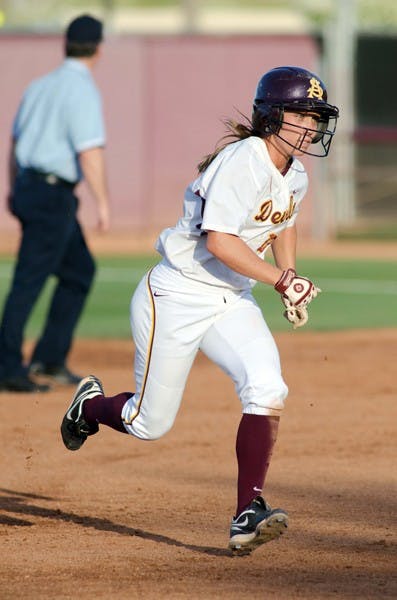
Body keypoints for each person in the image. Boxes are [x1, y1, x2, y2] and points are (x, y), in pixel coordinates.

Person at [60, 66, 339, 555]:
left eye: (316, 116)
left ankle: (247, 512)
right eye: (301, 113)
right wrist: (280, 278)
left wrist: (286, 282)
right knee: (149, 423)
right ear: (272, 116)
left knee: (268, 387)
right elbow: (221, 240)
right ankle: (90, 406)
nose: (311, 126)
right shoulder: (242, 160)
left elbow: (283, 223)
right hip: (177, 293)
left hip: (231, 298)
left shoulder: (294, 173)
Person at [0, 14, 110, 393]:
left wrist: (14, 189)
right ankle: (7, 366)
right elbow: (89, 151)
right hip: (52, 195)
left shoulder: (40, 86)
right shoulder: (81, 89)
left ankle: (49, 358)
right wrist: (103, 203)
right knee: (28, 281)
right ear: (98, 48)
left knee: (79, 271)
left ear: (66, 44)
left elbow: (14, 144)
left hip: (33, 187)